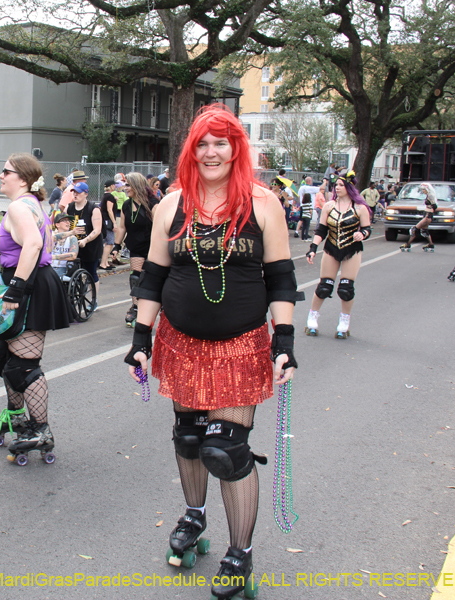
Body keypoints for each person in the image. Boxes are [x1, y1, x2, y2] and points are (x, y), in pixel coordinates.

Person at [124, 105, 298, 599]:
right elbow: (153, 278)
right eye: (202, 143)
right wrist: (141, 339)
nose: (211, 152)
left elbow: (281, 279)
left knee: (226, 450)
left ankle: (239, 551)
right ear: (191, 151)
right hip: (180, 342)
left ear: (236, 148)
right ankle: (194, 516)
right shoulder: (170, 207)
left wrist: (283, 344)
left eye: (221, 142)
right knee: (189, 438)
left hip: (241, 345)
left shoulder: (263, 204)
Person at [0, 153, 70, 459]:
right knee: (5, 358)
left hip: (27, 286)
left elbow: (34, 244)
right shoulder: (34, 204)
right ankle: (17, 416)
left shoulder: (21, 206)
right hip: (29, 283)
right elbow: (43, 243)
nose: (1, 176)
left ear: (21, 177)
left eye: (5, 171)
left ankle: (41, 430)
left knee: (24, 365)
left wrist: (16, 290)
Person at [305, 170, 372, 338]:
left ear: (349, 187)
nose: (338, 188)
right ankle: (312, 317)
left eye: (341, 185)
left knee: (346, 288)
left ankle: (344, 322)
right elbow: (321, 230)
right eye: (336, 185)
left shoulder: (360, 208)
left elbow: (367, 229)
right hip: (331, 248)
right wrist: (313, 247)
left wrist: (362, 234)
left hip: (351, 249)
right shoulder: (329, 206)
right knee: (324, 286)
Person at [113, 172, 159, 327]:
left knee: (153, 278)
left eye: (128, 185)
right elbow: (122, 227)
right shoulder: (127, 205)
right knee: (135, 277)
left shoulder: (153, 203)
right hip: (136, 246)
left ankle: (159, 307)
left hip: (153, 245)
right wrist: (116, 246)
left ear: (137, 185)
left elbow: (161, 226)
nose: (126, 188)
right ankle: (136, 307)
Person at [66, 181, 103, 297]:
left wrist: (85, 240)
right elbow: (64, 224)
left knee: (91, 273)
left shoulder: (93, 208)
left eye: (78, 193)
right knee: (71, 272)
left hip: (90, 246)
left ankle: (93, 299)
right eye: (74, 192)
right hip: (74, 245)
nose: (75, 195)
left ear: (86, 194)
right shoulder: (69, 207)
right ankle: (73, 296)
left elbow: (97, 230)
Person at [400, 182, 437, 251]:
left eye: (423, 190)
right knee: (424, 231)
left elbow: (435, 206)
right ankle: (431, 244)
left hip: (428, 216)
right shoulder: (429, 195)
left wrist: (429, 211)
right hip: (427, 215)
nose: (423, 191)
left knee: (414, 229)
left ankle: (408, 244)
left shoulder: (430, 195)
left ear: (427, 189)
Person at [50, 213, 78, 278]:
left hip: (63, 268)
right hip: (48, 267)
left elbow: (73, 255)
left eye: (68, 221)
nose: (68, 222)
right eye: (64, 220)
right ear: (57, 224)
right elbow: (51, 239)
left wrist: (52, 257)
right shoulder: (51, 234)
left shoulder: (72, 238)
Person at [99, 180, 119, 270]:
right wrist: (114, 222)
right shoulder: (110, 197)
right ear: (111, 186)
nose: (115, 186)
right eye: (114, 185)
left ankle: (106, 262)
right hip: (108, 222)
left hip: (104, 220)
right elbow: (109, 210)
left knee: (108, 242)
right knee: (110, 243)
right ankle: (103, 263)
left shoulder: (105, 196)